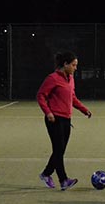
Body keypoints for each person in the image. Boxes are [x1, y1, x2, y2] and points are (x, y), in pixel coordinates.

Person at [37, 51, 92, 190]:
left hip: (67, 119)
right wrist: (48, 112)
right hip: (54, 119)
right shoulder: (52, 78)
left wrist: (84, 109)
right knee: (58, 150)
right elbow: (41, 96)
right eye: (73, 65)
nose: (75, 68)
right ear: (65, 64)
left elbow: (72, 98)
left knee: (60, 151)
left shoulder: (71, 79)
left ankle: (46, 174)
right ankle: (63, 180)